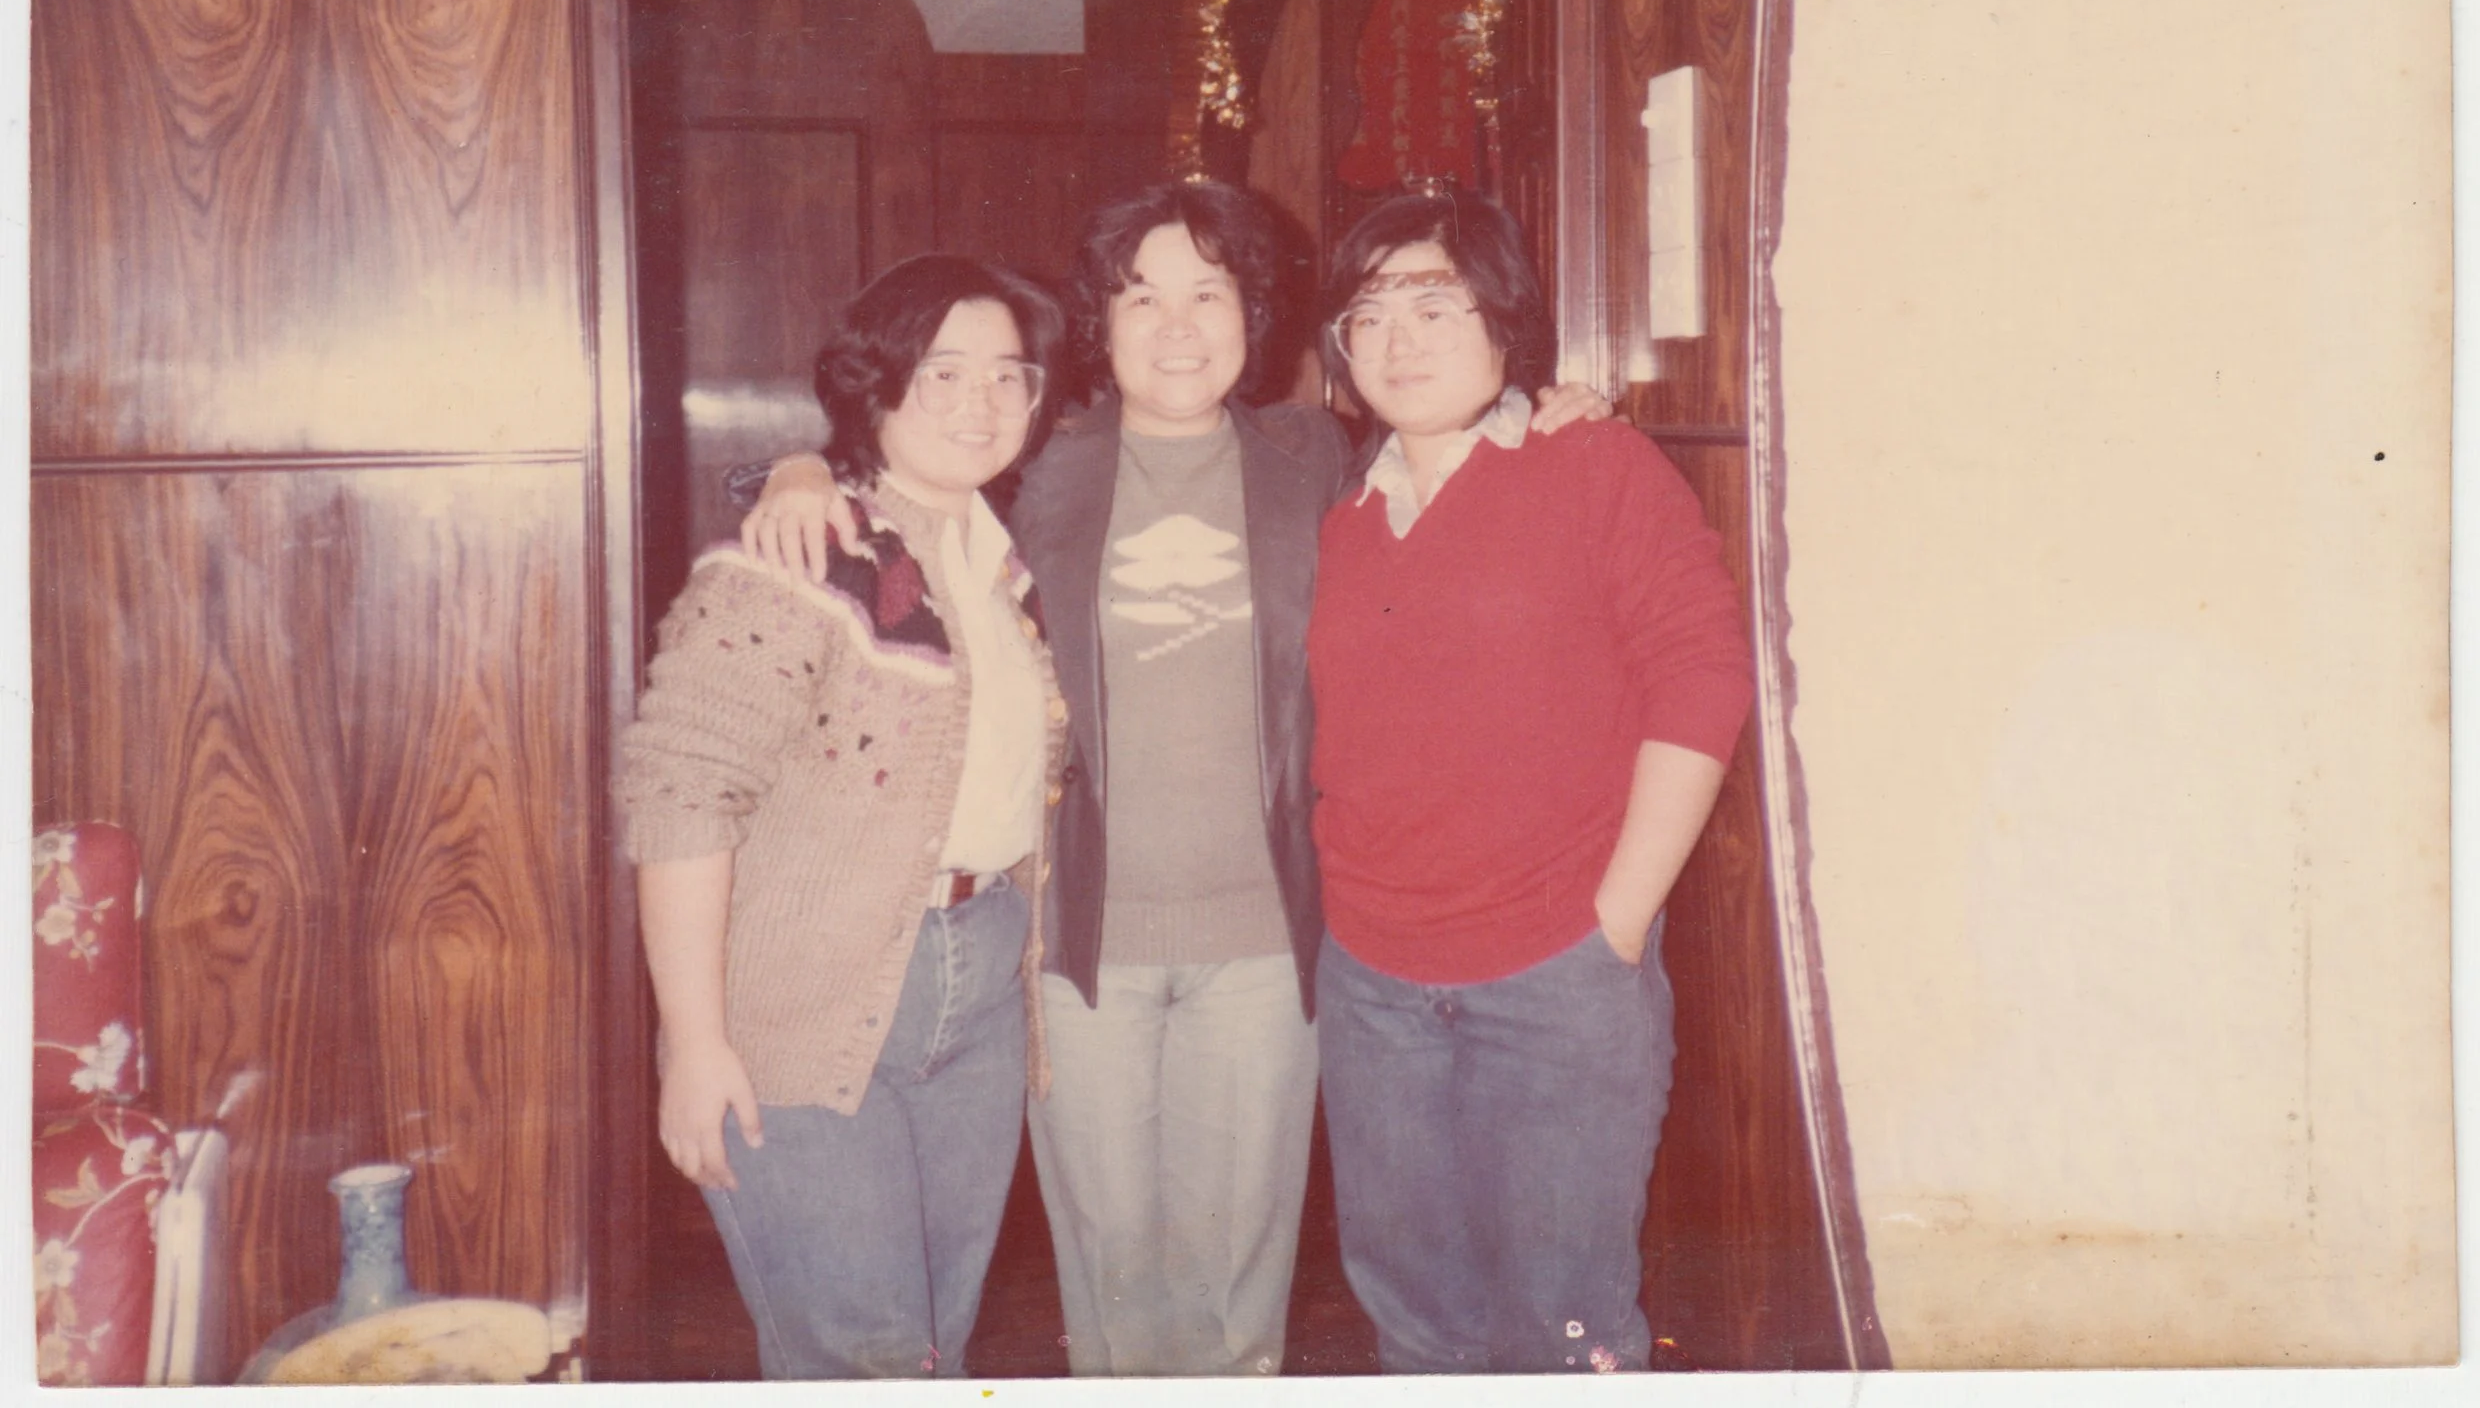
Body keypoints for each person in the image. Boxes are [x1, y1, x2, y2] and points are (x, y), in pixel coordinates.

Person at [735, 181, 1609, 1377]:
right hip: (1081, 939)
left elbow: (1453, 440)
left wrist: (1542, 403)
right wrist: (795, 465)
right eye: (1142, 296)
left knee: (1235, 1280)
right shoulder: (1037, 460)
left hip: (1266, 938)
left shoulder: (1313, 453)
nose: (1179, 324)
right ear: (1100, 322)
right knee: (1111, 1274)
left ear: (1256, 315)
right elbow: (903, 461)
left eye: (1211, 292)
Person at [1303, 189, 1755, 1375]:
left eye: (1433, 303)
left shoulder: (1594, 462)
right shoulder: (1341, 508)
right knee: (1418, 1326)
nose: (1397, 338)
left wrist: (1618, 920)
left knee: (1563, 1327)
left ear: (1503, 319)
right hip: (1372, 982)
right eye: (1366, 312)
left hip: (1555, 977)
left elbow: (1702, 674)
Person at [619, 255, 1069, 1380]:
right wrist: (695, 1041)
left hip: (981, 988)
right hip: (804, 999)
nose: (980, 401)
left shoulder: (1009, 570)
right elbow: (679, 792)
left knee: (935, 1345)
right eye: (942, 371)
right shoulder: (800, 554)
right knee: (861, 1359)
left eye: (1007, 375)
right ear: (878, 382)